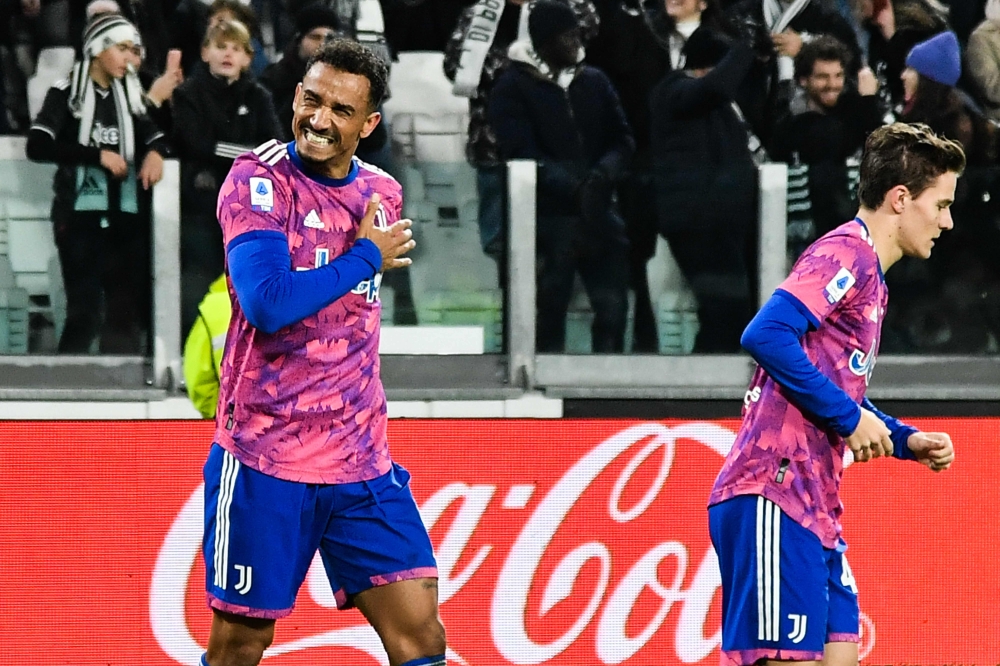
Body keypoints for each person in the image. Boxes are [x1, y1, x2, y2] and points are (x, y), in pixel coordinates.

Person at [201, 38, 445, 666]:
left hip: (361, 459)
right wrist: (365, 256)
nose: (318, 119)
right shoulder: (257, 179)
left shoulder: (383, 194)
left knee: (420, 634)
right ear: (295, 97)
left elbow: (349, 315)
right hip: (265, 457)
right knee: (241, 643)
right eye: (312, 99)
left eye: (341, 110)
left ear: (368, 125)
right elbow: (268, 303)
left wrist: (365, 254)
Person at [708, 122, 961, 666]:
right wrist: (848, 418)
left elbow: (831, 384)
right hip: (772, 491)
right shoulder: (846, 251)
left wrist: (902, 438)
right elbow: (765, 333)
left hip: (815, 506)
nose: (947, 221)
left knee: (841, 654)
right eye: (940, 205)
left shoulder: (872, 276)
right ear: (900, 199)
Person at [489, 0, 634, 353]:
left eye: (577, 34)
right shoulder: (511, 86)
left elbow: (623, 138)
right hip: (545, 220)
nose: (576, 43)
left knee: (614, 308)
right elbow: (520, 153)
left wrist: (601, 177)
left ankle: (608, 388)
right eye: (567, 36)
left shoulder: (595, 81)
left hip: (601, 214)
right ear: (543, 42)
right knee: (546, 311)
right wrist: (575, 188)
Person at [27, 13, 168, 353]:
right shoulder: (65, 94)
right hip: (77, 217)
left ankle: (121, 394)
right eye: (121, 48)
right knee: (86, 311)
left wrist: (156, 152)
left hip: (125, 216)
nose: (129, 58)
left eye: (133, 50)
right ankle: (65, 390)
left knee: (124, 312)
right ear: (97, 48)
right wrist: (96, 155)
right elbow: (37, 145)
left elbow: (156, 135)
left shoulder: (131, 94)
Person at [649, 25, 757, 352]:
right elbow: (715, 88)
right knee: (726, 310)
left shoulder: (722, 109)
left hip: (725, 224)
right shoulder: (675, 91)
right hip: (697, 224)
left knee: (730, 315)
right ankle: (702, 391)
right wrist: (745, 47)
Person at [172, 17, 281, 339]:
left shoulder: (258, 96)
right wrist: (248, 155)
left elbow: (273, 146)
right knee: (201, 283)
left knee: (244, 283)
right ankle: (194, 353)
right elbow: (194, 143)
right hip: (200, 208)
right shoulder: (188, 94)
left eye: (236, 48)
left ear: (248, 57)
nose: (228, 54)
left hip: (248, 213)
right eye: (221, 47)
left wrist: (224, 152)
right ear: (205, 52)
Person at [183, 274, 230, 419]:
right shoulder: (294, 301)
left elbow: (199, 381)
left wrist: (224, 415)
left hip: (236, 424)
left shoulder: (212, 310)